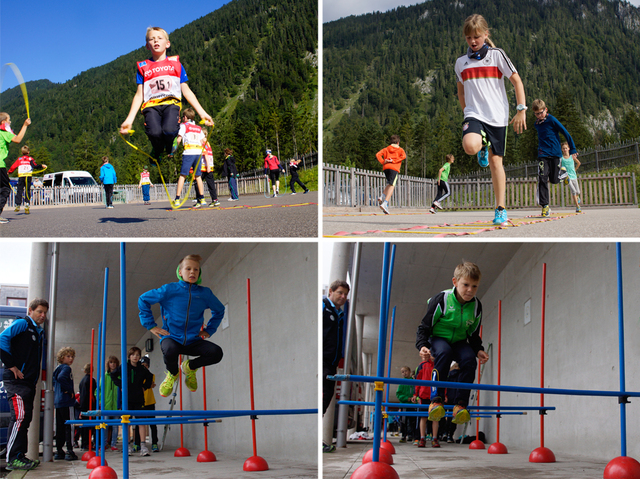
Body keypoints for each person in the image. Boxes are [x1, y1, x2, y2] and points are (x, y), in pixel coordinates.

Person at [455, 14, 527, 226]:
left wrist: (521, 109)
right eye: (469, 38)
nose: (473, 41)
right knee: (469, 146)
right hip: (474, 115)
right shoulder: (461, 63)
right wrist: (466, 112)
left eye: (477, 36)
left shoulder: (497, 55)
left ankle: (500, 208)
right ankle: (480, 143)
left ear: (486, 35)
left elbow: (517, 81)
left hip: (497, 116)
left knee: (496, 162)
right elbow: (461, 92)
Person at [119, 27, 213, 160]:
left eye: (159, 38)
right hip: (151, 106)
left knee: (169, 130)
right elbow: (139, 95)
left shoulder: (176, 64)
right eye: (152, 39)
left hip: (171, 104)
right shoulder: (143, 67)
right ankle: (157, 151)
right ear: (147, 46)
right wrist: (129, 120)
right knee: (154, 132)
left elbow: (186, 90)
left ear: (167, 44)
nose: (156, 40)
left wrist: (202, 113)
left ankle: (171, 145)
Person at [139, 254, 225, 400]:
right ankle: (172, 374)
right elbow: (143, 299)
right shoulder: (169, 290)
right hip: (172, 337)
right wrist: (151, 326)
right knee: (170, 350)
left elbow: (219, 310)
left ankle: (189, 367)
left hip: (193, 340)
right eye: (188, 269)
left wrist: (209, 330)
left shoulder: (205, 294)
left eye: (196, 270)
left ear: (199, 273)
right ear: (180, 272)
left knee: (217, 353)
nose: (192, 272)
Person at [415, 262, 489, 428]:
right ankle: (436, 400)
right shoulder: (441, 299)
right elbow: (424, 327)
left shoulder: (476, 306)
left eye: (475, 286)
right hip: (438, 338)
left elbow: (474, 334)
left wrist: (478, 350)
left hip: (460, 342)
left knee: (469, 359)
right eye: (466, 285)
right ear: (455, 282)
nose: (470, 290)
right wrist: (422, 345)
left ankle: (460, 404)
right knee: (444, 353)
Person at [0, 298, 47, 471]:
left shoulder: (37, 331)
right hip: (16, 381)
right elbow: (2, 339)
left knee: (25, 419)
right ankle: (12, 459)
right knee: (19, 417)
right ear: (30, 310)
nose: (42, 315)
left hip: (27, 382)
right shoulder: (22, 323)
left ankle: (19, 455)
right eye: (39, 311)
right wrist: (11, 365)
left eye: (44, 313)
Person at [532, 99, 575, 217]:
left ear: (546, 110)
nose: (539, 116)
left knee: (555, 180)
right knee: (542, 177)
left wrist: (573, 149)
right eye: (537, 114)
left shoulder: (552, 120)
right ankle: (545, 206)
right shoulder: (537, 124)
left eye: (541, 113)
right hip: (543, 155)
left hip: (555, 154)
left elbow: (565, 132)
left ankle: (563, 174)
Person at [109, 347, 153, 456]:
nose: (135, 357)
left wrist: (144, 387)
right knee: (127, 422)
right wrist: (121, 385)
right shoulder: (124, 367)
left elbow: (150, 377)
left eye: (138, 355)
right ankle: (127, 446)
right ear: (129, 356)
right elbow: (113, 375)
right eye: (133, 355)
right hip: (127, 398)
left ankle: (143, 446)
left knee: (141, 421)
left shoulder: (142, 368)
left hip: (138, 397)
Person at [322, 280, 349, 453]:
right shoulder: (323, 307)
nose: (343, 297)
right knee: (322, 396)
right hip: (322, 361)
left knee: (326, 400)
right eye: (340, 292)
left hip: (331, 364)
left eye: (345, 294)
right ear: (330, 291)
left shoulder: (339, 314)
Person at [0, 112, 31, 224]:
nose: (10, 122)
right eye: (9, 120)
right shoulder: (3, 133)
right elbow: (17, 139)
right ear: (3, 122)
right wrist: (25, 125)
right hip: (0, 165)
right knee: (5, 189)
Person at [173, 108, 207, 208]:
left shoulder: (184, 126)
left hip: (188, 153)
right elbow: (203, 141)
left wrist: (172, 151)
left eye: (183, 117)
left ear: (186, 117)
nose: (183, 118)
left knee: (183, 175)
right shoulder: (198, 128)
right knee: (198, 176)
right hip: (198, 153)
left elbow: (178, 139)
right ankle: (202, 198)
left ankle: (177, 199)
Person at [52, 347, 78, 461]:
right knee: (69, 425)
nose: (71, 359)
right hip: (66, 401)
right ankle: (69, 450)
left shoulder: (57, 368)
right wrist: (70, 390)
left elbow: (55, 380)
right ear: (62, 358)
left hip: (58, 401)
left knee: (60, 426)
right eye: (68, 356)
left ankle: (59, 450)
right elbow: (61, 378)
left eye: (72, 356)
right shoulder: (66, 368)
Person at [412, 349, 440, 448]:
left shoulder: (439, 366)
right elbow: (417, 380)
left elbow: (443, 381)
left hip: (435, 395)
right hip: (423, 394)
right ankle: (422, 438)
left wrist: (444, 395)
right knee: (423, 417)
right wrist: (415, 394)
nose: (433, 356)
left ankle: (435, 438)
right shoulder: (422, 365)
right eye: (431, 354)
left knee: (435, 417)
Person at [8, 145, 46, 215]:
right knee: (27, 190)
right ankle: (27, 204)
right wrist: (41, 166)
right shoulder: (30, 159)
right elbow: (34, 166)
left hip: (21, 176)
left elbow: (13, 167)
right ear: (28, 152)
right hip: (28, 176)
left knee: (19, 190)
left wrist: (9, 172)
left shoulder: (19, 159)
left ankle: (18, 204)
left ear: (22, 152)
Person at [375, 134, 407, 215]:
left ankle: (382, 197)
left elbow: (378, 154)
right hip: (394, 168)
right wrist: (395, 161)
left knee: (389, 183)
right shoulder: (400, 149)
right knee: (392, 186)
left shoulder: (386, 149)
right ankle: (385, 202)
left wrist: (383, 162)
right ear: (398, 142)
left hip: (386, 168)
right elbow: (404, 156)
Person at [135, 356, 159, 452]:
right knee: (139, 424)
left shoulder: (151, 375)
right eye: (142, 365)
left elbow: (151, 384)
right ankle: (137, 443)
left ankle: (154, 443)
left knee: (152, 423)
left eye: (146, 365)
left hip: (150, 401)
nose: (144, 367)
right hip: (140, 401)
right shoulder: (137, 375)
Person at [101, 356, 122, 451]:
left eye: (114, 362)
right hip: (107, 405)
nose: (113, 364)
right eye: (111, 362)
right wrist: (101, 401)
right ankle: (104, 443)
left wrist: (121, 404)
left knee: (115, 426)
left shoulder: (120, 376)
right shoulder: (104, 377)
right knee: (105, 425)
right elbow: (99, 390)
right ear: (108, 364)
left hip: (116, 405)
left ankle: (113, 444)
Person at [78, 363, 97, 451]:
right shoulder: (91, 380)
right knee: (90, 425)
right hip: (89, 404)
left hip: (83, 404)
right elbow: (92, 393)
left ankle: (84, 443)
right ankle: (87, 443)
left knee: (84, 425)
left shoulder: (83, 380)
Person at [200, 128, 220, 207]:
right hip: (210, 166)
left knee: (197, 183)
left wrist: (207, 166)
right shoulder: (208, 143)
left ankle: (199, 199)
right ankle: (215, 199)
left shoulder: (202, 143)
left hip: (204, 167)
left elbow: (206, 155)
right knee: (211, 184)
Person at [560, 141, 582, 212]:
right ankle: (577, 207)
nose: (565, 150)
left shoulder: (572, 156)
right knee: (573, 191)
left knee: (578, 191)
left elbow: (578, 163)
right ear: (562, 150)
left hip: (574, 176)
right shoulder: (562, 158)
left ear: (569, 148)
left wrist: (575, 169)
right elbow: (559, 167)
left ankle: (577, 198)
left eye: (566, 148)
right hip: (567, 177)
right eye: (563, 148)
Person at [395, 366, 414, 443]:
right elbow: (398, 394)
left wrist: (414, 398)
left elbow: (416, 391)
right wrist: (407, 398)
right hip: (404, 404)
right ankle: (404, 435)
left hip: (413, 405)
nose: (404, 373)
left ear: (409, 371)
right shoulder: (402, 383)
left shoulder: (414, 382)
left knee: (412, 420)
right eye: (402, 372)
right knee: (403, 421)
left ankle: (410, 435)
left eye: (406, 371)